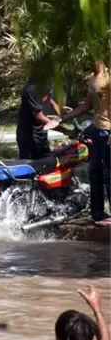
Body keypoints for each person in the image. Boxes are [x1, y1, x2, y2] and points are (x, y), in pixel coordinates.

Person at [60, 60, 111, 226]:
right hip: (96, 129)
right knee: (94, 170)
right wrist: (63, 118)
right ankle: (97, 213)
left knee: (109, 173)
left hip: (108, 130)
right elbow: (87, 106)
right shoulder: (92, 78)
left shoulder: (108, 76)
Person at [16, 79, 60, 160]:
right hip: (29, 135)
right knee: (31, 167)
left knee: (46, 163)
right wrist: (63, 129)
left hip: (42, 131)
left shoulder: (47, 82)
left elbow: (47, 97)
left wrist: (60, 111)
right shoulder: (31, 88)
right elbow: (39, 117)